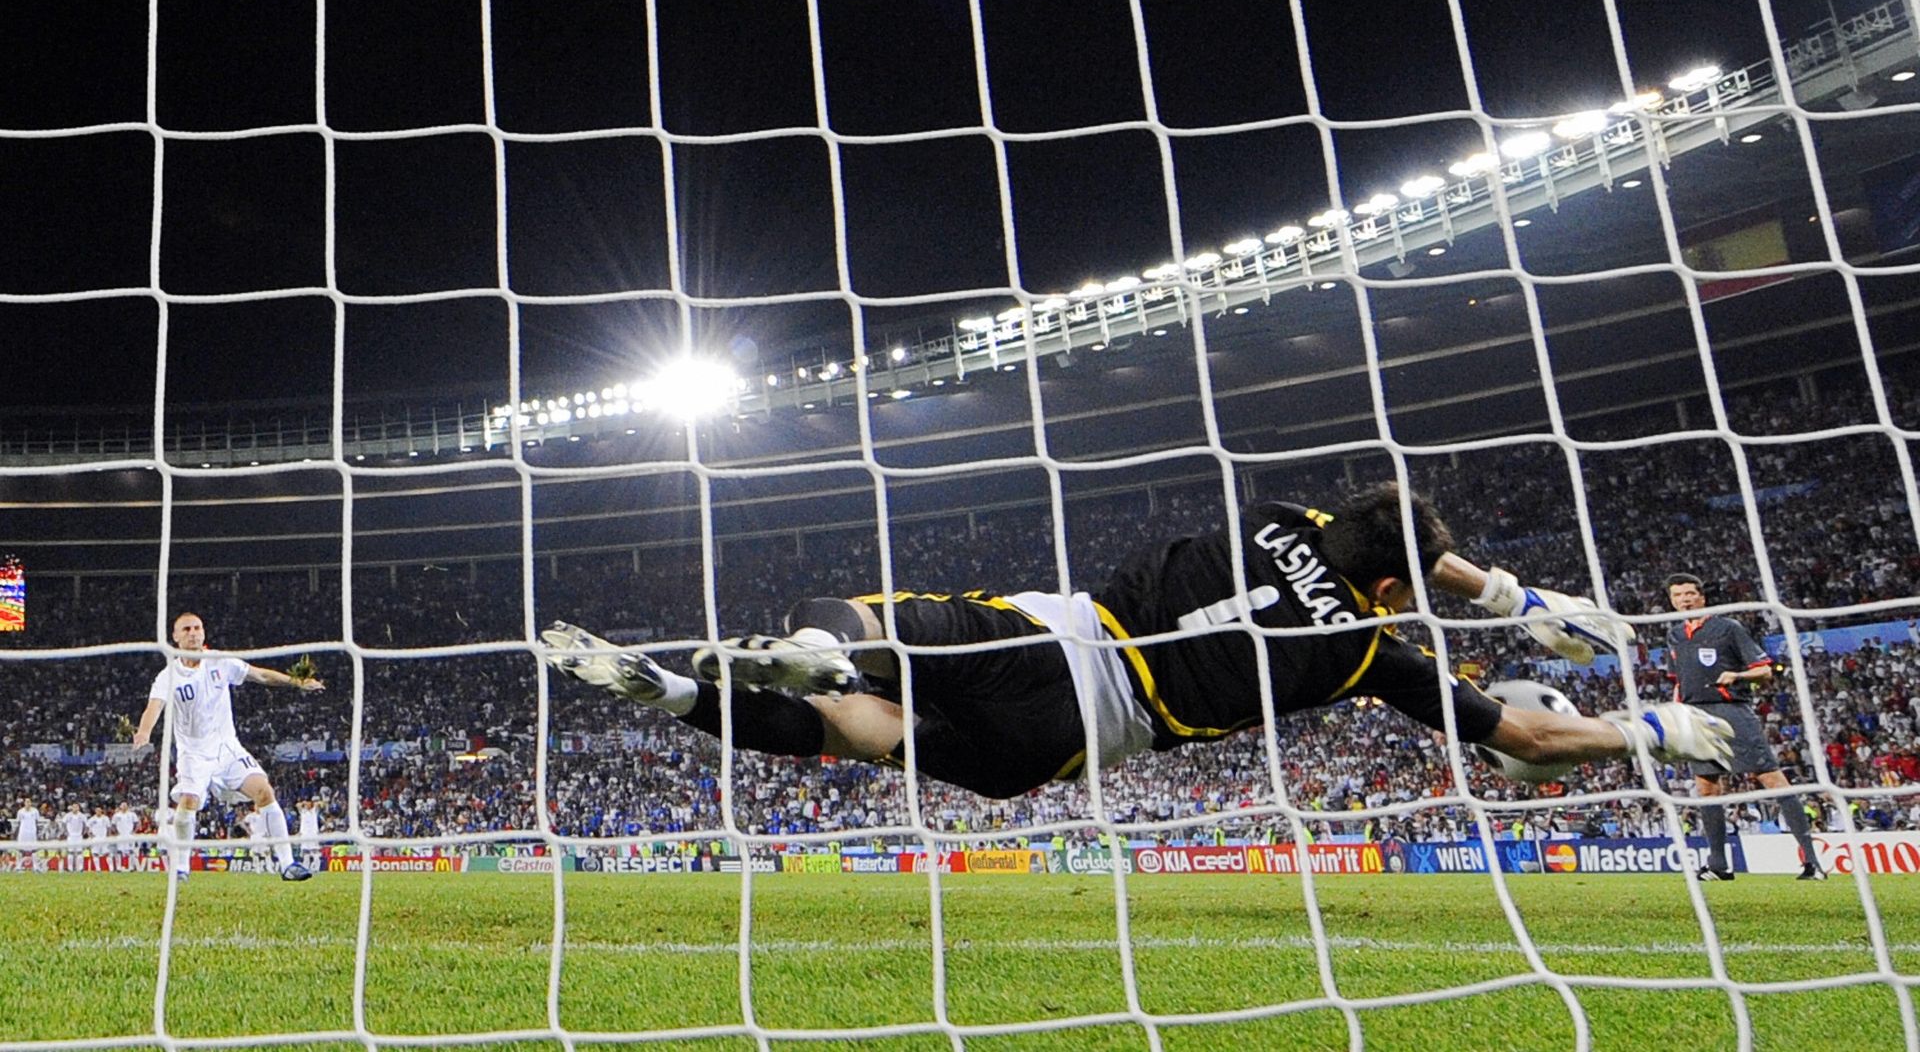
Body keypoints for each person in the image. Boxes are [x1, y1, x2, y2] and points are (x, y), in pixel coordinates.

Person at [545, 484, 1733, 800]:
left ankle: (691, 681)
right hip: (1078, 740)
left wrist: (1501, 588)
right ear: (1390, 588)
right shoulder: (1376, 656)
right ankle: (680, 692)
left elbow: (1383, 533)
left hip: (1059, 635)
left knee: (848, 624)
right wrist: (1643, 726)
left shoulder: (1279, 518)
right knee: (861, 740)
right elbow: (1520, 735)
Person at [132, 612, 326, 882]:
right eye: (186, 629)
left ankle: (288, 864)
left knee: (264, 791)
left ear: (204, 633)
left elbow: (260, 675)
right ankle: (181, 867)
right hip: (194, 754)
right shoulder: (168, 675)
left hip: (228, 749)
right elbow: (154, 707)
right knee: (189, 802)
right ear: (175, 637)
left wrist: (295, 682)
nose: (193, 633)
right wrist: (143, 732)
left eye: (197, 627)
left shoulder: (220, 662)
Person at [1663, 573, 1825, 881]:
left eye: (1688, 594)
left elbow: (1764, 671)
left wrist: (1737, 677)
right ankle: (1719, 864)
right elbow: (1679, 681)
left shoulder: (1728, 628)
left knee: (1771, 779)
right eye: (1677, 595)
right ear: (1671, 601)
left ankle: (1812, 862)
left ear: (1701, 597)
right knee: (1707, 788)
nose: (1683, 599)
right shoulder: (1675, 635)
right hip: (1695, 716)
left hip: (1732, 712)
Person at [13, 798, 43, 873]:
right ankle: (18, 867)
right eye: (26, 802)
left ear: (31, 803)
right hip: (23, 833)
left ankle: (36, 868)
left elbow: (37, 822)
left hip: (32, 833)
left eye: (29, 802)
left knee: (34, 850)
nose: (28, 803)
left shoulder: (35, 811)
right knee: (21, 850)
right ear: (24, 803)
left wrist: (37, 833)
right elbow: (19, 823)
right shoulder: (20, 812)